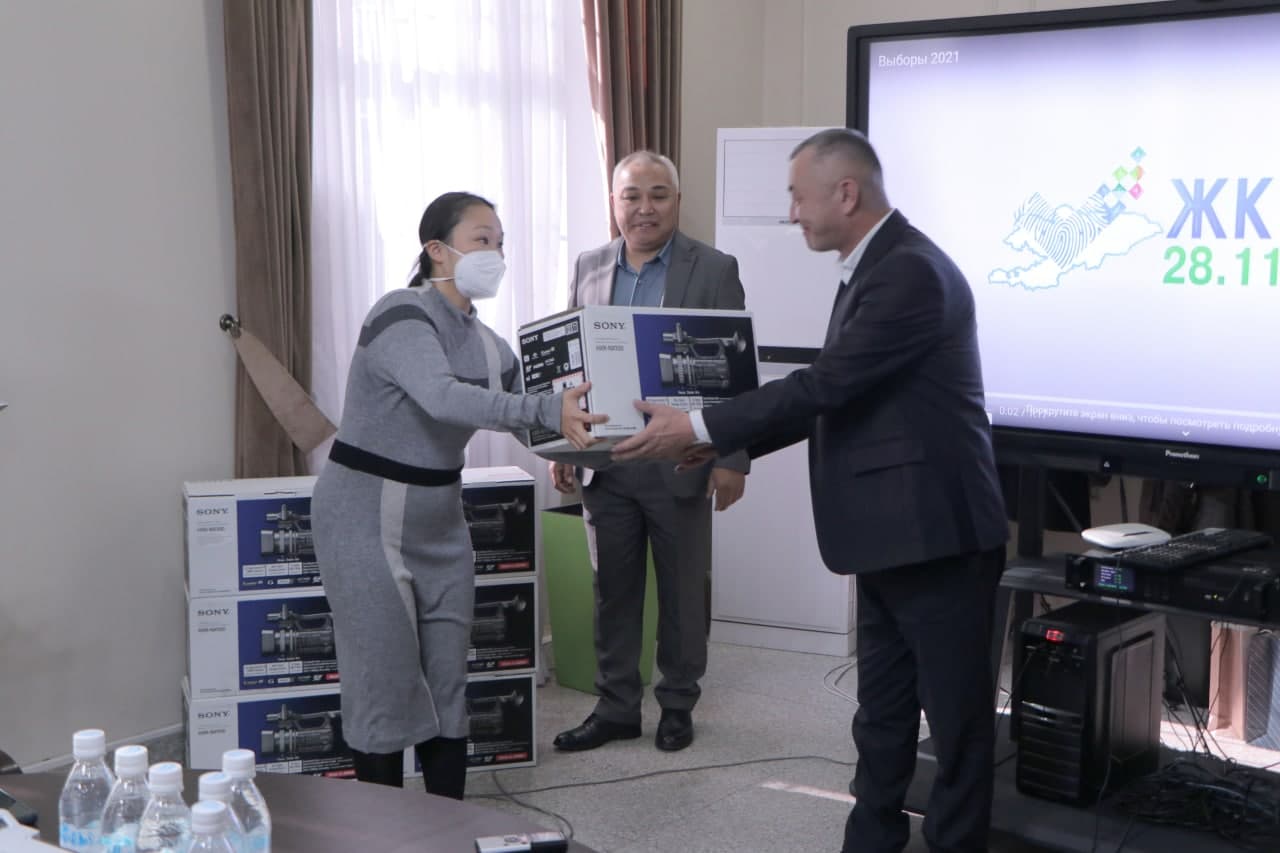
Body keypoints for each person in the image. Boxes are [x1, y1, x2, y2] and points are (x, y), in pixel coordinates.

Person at [612, 129, 1009, 853]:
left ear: (845, 193)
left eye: (798, 196)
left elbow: (825, 385)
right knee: (881, 712)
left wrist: (699, 424)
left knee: (956, 727)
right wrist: (710, 441)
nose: (792, 213)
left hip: (938, 536)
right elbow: (838, 397)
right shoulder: (874, 266)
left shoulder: (909, 272)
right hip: (890, 535)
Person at [311, 191, 606, 798]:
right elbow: (444, 397)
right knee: (384, 682)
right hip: (363, 515)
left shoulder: (492, 347)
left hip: (441, 520)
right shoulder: (400, 314)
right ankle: (380, 831)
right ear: (437, 249)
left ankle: (446, 824)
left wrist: (618, 445)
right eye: (481, 239)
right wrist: (546, 408)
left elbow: (538, 423)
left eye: (500, 242)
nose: (495, 253)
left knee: (449, 682)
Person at [549, 151, 749, 754]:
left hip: (680, 458)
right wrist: (562, 442)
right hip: (605, 460)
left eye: (658, 194)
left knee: (683, 593)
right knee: (612, 590)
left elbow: (733, 369)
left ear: (676, 201)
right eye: (631, 196)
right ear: (614, 203)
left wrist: (731, 458)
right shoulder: (589, 265)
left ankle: (678, 704)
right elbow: (572, 361)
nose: (644, 208)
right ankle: (616, 708)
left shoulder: (714, 268)